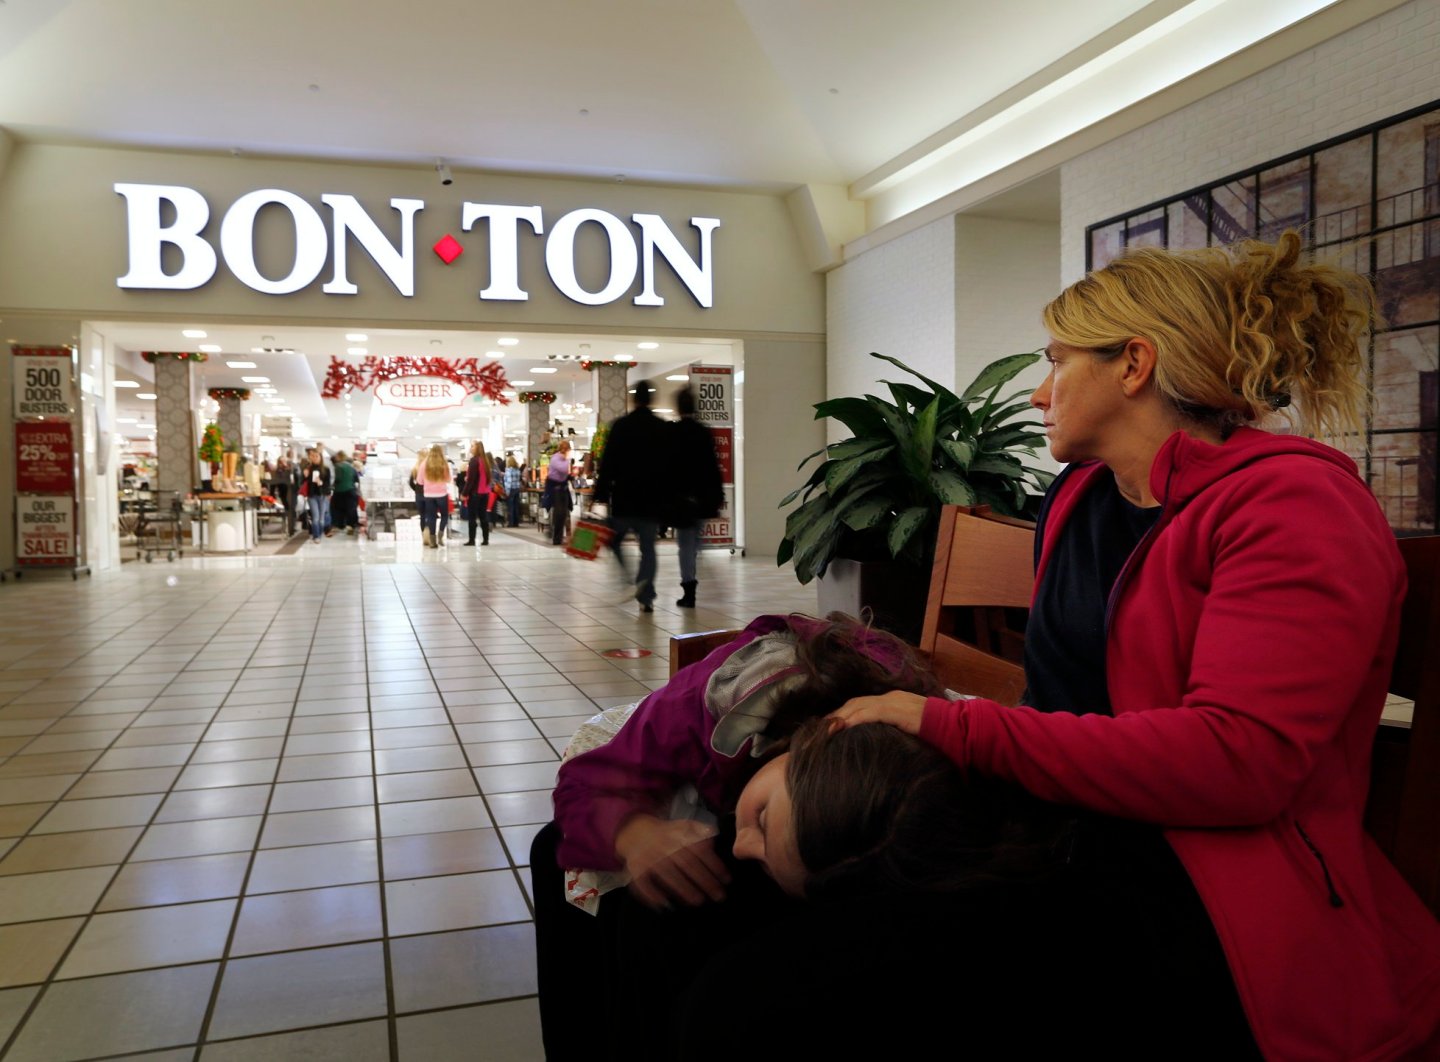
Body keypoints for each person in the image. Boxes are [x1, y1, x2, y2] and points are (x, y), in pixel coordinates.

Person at [835, 232, 1440, 1060]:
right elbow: (1063, 703)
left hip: (1220, 888)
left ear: (1134, 365)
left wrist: (955, 728)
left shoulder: (1293, 505)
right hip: (1080, 831)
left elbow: (1239, 763)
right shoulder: (1081, 497)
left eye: (1056, 362)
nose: (1041, 395)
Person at [532, 613, 950, 1058]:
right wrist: (633, 832)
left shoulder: (923, 772)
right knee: (556, 848)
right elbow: (587, 778)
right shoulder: (712, 700)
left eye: (770, 854)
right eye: (764, 820)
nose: (740, 844)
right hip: (710, 740)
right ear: (809, 743)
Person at [593, 383, 668, 611]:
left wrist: (601, 494)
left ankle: (628, 581)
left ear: (633, 400)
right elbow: (668, 467)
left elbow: (608, 464)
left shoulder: (621, 426)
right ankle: (645, 595)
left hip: (624, 498)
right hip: (651, 500)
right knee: (648, 548)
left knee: (614, 541)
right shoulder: (660, 428)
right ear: (651, 400)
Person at [665, 387, 725, 608]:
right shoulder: (703, 432)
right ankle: (692, 580)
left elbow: (668, 468)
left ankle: (689, 586)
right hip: (702, 497)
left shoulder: (673, 432)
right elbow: (712, 466)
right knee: (695, 542)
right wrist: (716, 496)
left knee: (686, 544)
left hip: (681, 498)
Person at [413, 445, 450, 549]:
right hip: (442, 494)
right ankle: (441, 533)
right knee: (444, 516)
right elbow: (447, 479)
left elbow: (419, 481)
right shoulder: (444, 463)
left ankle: (432, 542)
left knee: (431, 517)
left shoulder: (424, 464)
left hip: (428, 495)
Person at [544, 439, 573, 545]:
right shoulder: (556, 458)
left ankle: (559, 536)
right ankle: (556, 538)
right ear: (562, 448)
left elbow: (566, 472)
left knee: (564, 513)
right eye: (565, 448)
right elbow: (563, 469)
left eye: (567, 448)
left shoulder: (565, 459)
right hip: (554, 488)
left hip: (563, 488)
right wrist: (567, 459)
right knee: (558, 513)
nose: (566, 450)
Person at [464, 440, 491, 546]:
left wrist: (464, 493)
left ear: (477, 448)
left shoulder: (474, 461)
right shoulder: (485, 461)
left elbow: (471, 480)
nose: (470, 448)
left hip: (475, 493)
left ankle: (472, 540)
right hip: (485, 493)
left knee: (472, 517)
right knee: (483, 516)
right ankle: (485, 539)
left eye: (472, 446)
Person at [301, 448, 330, 544]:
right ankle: (316, 536)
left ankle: (319, 534)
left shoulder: (326, 469)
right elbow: (302, 483)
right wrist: (305, 476)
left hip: (322, 496)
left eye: (316, 456)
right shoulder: (308, 469)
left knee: (321, 520)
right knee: (315, 517)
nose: (314, 458)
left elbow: (328, 485)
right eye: (312, 456)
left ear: (320, 457)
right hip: (311, 495)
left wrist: (320, 483)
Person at [330, 450, 359, 536]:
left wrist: (331, 486)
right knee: (351, 509)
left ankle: (340, 525)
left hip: (340, 491)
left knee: (338, 509)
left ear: (338, 457)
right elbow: (356, 479)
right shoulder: (351, 467)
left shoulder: (337, 467)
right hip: (351, 491)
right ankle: (351, 526)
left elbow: (336, 479)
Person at [503, 454, 522, 527]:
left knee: (510, 506)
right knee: (516, 506)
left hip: (511, 489)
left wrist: (507, 491)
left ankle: (511, 522)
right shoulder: (518, 470)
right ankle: (516, 522)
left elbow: (509, 482)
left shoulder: (508, 470)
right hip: (517, 489)